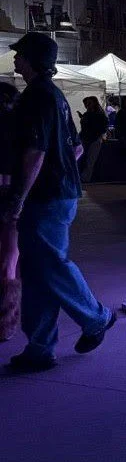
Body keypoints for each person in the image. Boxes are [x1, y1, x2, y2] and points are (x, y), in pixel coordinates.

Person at [0, 32, 114, 373]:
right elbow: (74, 147)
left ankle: (96, 317)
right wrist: (64, 174)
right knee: (37, 272)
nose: (16, 60)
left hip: (46, 197)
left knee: (50, 265)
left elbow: (35, 153)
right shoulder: (55, 96)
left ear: (34, 60)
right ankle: (39, 348)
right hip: (58, 193)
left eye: (20, 55)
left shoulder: (36, 98)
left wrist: (19, 198)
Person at [0, 82, 20, 341]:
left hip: (10, 193)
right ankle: (5, 323)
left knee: (7, 261)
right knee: (8, 263)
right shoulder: (18, 124)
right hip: (11, 193)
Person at [79, 96, 109, 183]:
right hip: (86, 138)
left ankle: (85, 178)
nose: (87, 105)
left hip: (94, 139)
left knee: (90, 160)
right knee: (86, 159)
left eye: (89, 103)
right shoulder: (87, 114)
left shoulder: (98, 115)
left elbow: (102, 127)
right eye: (86, 103)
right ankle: (84, 177)